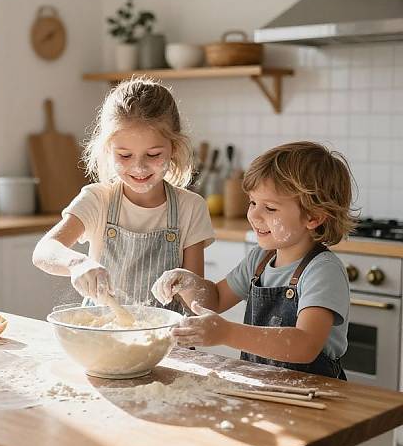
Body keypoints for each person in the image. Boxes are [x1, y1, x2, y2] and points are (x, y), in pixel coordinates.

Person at [151, 141, 356, 379]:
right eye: (253, 202)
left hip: (316, 393)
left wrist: (227, 333)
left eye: (269, 208)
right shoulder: (260, 259)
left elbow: (305, 345)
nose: (254, 215)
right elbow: (215, 299)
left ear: (313, 217)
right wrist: (189, 283)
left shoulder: (322, 271)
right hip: (264, 387)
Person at [32, 78, 214, 313]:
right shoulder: (98, 200)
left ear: (174, 149)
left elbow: (197, 304)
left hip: (168, 342)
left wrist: (188, 285)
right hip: (103, 338)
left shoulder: (191, 207)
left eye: (153, 154)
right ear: (108, 151)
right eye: (125, 156)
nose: (139, 168)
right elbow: (44, 251)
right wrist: (77, 263)